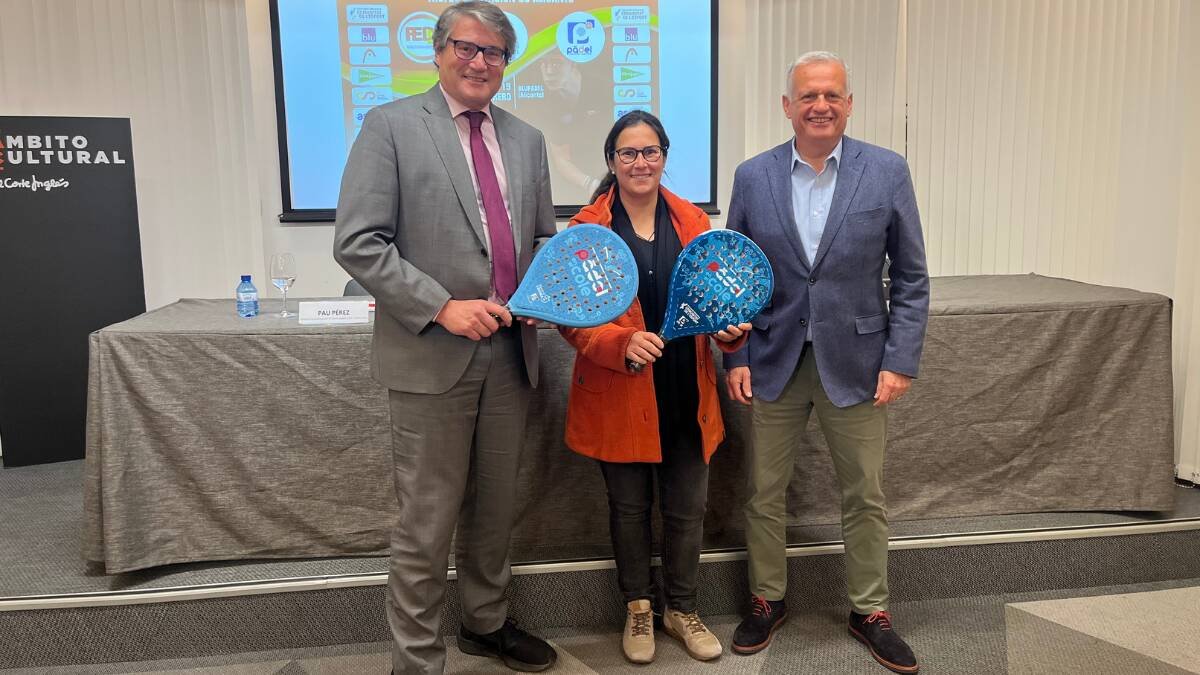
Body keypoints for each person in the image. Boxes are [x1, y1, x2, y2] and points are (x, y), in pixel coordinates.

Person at [332, 2, 557, 672]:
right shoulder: (391, 126)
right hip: (432, 354)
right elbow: (358, 242)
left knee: (496, 509)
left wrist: (543, 293)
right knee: (426, 521)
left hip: (512, 355)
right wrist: (441, 307)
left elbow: (541, 239)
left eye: (494, 52)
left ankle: (485, 623)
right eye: (466, 47)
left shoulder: (527, 139)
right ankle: (417, 659)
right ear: (438, 52)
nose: (479, 62)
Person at [723, 51, 929, 674]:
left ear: (849, 103)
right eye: (808, 95)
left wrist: (900, 359)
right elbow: (733, 274)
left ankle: (870, 610)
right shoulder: (753, 176)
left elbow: (911, 277)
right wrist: (735, 354)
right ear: (787, 106)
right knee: (764, 492)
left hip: (860, 362)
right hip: (772, 358)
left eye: (832, 95)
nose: (820, 105)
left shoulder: (886, 171)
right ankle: (768, 598)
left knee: (864, 494)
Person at [557, 110, 751, 664]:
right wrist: (619, 343)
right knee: (629, 509)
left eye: (650, 152)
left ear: (664, 158)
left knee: (688, 510)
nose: (640, 162)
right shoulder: (587, 231)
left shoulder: (693, 221)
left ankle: (681, 609)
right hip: (620, 393)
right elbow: (572, 318)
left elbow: (717, 303)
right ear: (611, 160)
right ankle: (639, 607)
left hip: (687, 392)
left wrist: (729, 330)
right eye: (628, 153)